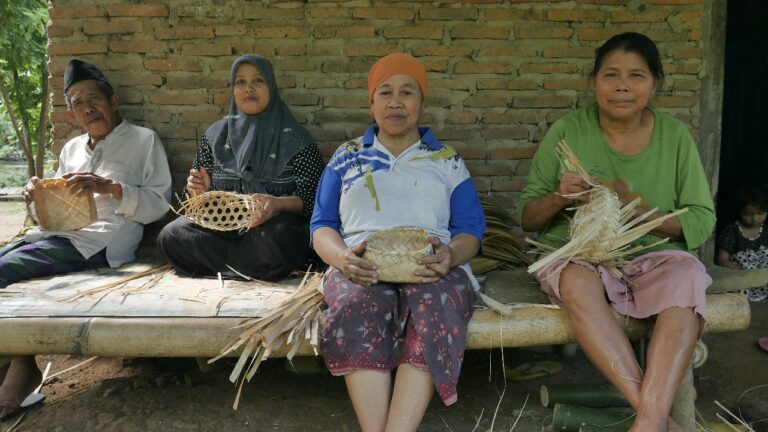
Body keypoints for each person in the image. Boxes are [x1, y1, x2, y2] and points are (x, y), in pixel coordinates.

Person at [518, 33, 715, 432]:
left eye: (636, 76)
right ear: (594, 81)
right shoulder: (567, 131)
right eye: (611, 75)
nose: (622, 86)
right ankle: (656, 420)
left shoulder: (675, 137)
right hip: (581, 256)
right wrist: (560, 197)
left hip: (651, 256)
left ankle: (648, 421)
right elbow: (529, 218)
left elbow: (700, 219)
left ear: (654, 83)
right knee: (575, 281)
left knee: (688, 278)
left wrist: (637, 212)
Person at [310, 53, 485, 432]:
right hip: (361, 266)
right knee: (356, 302)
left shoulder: (446, 160)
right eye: (384, 92)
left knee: (435, 302)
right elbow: (321, 225)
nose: (395, 102)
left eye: (407, 92)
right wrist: (342, 259)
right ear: (371, 103)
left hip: (431, 267)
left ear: (421, 103)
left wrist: (451, 256)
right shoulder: (346, 157)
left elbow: (471, 229)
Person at [0, 59, 172, 419]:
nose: (87, 107)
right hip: (58, 236)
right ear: (72, 115)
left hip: (100, 244)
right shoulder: (72, 150)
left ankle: (21, 368)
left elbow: (159, 204)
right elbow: (52, 215)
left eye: (93, 98)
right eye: (77, 103)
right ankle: (17, 362)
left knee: (3, 268)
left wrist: (109, 187)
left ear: (113, 101)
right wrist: (38, 197)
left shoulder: (143, 140)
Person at [157, 54, 323, 281]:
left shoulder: (296, 139)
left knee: (279, 237)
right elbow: (192, 204)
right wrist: (198, 192)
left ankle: (230, 267)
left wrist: (277, 204)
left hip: (270, 231)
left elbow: (315, 200)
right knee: (172, 235)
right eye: (240, 82)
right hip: (223, 229)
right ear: (233, 90)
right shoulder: (214, 137)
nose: (249, 89)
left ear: (271, 87)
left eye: (258, 81)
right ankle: (254, 269)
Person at [715, 185, 768, 301]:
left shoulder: (766, 230)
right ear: (739, 211)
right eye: (748, 214)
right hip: (742, 277)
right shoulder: (732, 230)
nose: (755, 219)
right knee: (736, 291)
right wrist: (729, 266)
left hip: (763, 278)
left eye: (760, 213)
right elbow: (722, 258)